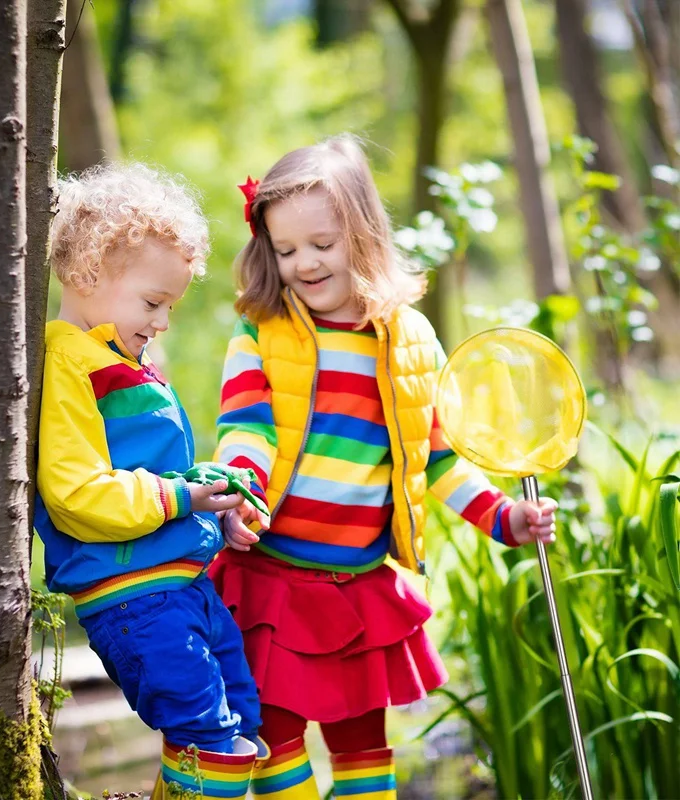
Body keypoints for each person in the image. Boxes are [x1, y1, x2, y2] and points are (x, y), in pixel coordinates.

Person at [210, 135, 557, 800]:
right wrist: (238, 496)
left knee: (365, 747)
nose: (303, 263)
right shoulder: (262, 332)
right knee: (270, 736)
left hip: (360, 587)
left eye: (321, 244)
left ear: (363, 234)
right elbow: (244, 430)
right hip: (272, 580)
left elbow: (439, 460)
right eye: (285, 251)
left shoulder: (410, 343)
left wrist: (505, 517)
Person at [35, 163, 268, 798]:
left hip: (183, 588)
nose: (162, 321)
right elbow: (77, 495)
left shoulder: (119, 361)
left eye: (168, 306)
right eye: (153, 302)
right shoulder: (71, 366)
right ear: (87, 273)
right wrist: (180, 497)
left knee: (242, 723)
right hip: (135, 598)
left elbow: (152, 474)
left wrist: (210, 499)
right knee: (208, 738)